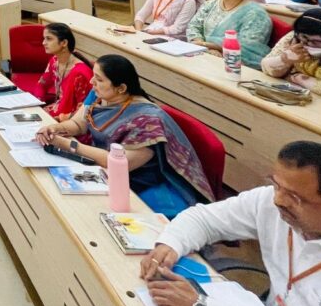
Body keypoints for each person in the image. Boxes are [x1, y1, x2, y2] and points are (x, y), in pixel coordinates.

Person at [140, 141, 321, 306]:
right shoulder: (273, 203)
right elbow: (204, 219)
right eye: (277, 185)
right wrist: (170, 243)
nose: (278, 200)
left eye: (295, 198)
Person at [36, 55, 214, 218]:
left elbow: (120, 164)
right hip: (105, 170)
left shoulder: (148, 121)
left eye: (98, 79)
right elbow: (78, 124)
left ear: (121, 88)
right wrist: (55, 128)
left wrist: (68, 145)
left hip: (139, 182)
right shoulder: (99, 95)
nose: (91, 82)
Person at [186, 0, 273, 68]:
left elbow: (249, 46)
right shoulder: (210, 4)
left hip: (235, 63)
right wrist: (204, 46)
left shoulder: (255, 14)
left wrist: (210, 46)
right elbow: (194, 26)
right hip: (203, 53)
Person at [34, 23, 93, 121]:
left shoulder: (80, 73)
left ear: (64, 43)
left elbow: (84, 110)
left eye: (49, 39)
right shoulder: (54, 61)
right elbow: (42, 85)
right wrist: (37, 103)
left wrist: (58, 120)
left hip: (70, 120)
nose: (43, 43)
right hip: (56, 110)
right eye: (44, 38)